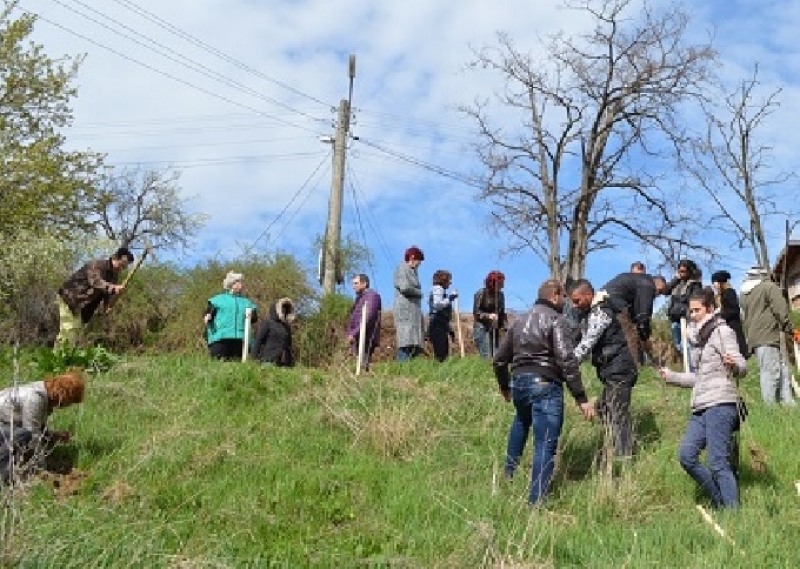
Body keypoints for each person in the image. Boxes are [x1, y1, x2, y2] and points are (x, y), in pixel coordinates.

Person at [494, 278, 595, 505]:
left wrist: (504, 385)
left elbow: (499, 359)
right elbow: (567, 360)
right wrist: (581, 397)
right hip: (545, 384)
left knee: (521, 422)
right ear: (554, 296)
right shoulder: (556, 320)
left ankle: (507, 476)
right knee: (545, 443)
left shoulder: (518, 321)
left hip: (519, 382)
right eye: (563, 298)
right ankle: (536, 502)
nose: (564, 303)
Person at [658, 288, 747, 509]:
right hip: (700, 406)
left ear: (709, 309)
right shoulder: (699, 341)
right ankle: (720, 502)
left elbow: (742, 366)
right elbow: (698, 378)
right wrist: (672, 376)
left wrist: (733, 364)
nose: (693, 315)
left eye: (697, 310)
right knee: (686, 456)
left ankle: (732, 513)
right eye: (691, 311)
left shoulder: (722, 332)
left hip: (721, 404)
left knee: (718, 464)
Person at [571, 279, 638, 458]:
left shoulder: (601, 312)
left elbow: (588, 343)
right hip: (612, 370)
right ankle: (614, 446)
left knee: (618, 413)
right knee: (603, 409)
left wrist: (567, 365)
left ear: (588, 295)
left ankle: (624, 457)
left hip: (619, 369)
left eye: (577, 301)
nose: (575, 305)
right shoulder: (592, 312)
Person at [0, 371, 86, 482]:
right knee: (24, 435)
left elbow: (39, 429)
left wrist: (53, 436)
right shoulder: (35, 398)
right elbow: (33, 434)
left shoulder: (43, 393)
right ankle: (4, 474)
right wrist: (42, 468)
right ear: (64, 395)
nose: (67, 406)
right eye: (70, 402)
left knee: (33, 437)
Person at [55, 247, 134, 348]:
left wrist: (107, 306)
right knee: (69, 328)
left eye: (124, 267)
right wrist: (114, 288)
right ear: (115, 258)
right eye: (121, 265)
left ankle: (66, 357)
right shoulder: (97, 265)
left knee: (76, 330)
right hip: (70, 297)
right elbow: (96, 282)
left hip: (82, 305)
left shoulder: (114, 276)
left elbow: (107, 294)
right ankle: (57, 358)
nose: (121, 269)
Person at [740, 267, 795, 405]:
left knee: (781, 369)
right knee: (770, 373)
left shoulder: (745, 294)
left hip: (755, 338)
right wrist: (791, 329)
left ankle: (788, 403)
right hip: (767, 335)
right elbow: (781, 311)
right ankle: (769, 408)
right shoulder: (769, 287)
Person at [599, 271, 668, 367]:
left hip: (603, 301)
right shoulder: (648, 285)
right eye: (660, 291)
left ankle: (614, 365)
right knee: (631, 336)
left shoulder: (638, 281)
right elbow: (643, 316)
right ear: (657, 283)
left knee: (616, 337)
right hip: (615, 303)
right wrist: (645, 338)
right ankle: (635, 368)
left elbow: (635, 314)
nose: (658, 295)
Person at [204, 271, 258, 361]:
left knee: (237, 368)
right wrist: (207, 317)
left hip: (241, 340)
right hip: (220, 339)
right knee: (219, 367)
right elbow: (208, 313)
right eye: (239, 282)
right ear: (232, 284)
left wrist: (251, 316)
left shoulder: (247, 302)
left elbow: (254, 319)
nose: (242, 284)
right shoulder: (218, 300)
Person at [393, 246, 425, 361]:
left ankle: (410, 370)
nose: (418, 265)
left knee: (414, 344)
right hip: (405, 312)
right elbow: (405, 287)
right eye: (418, 261)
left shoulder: (412, 271)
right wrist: (419, 293)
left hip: (413, 312)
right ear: (412, 258)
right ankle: (402, 371)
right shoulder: (402, 268)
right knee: (406, 343)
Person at [665, 260, 703, 355]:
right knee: (679, 346)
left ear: (690, 271)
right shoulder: (677, 283)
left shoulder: (695, 284)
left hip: (687, 319)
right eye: (679, 271)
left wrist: (684, 311)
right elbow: (666, 291)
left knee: (688, 346)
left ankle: (694, 367)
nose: (681, 274)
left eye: (684, 271)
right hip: (675, 319)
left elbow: (695, 302)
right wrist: (676, 279)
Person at [346, 274, 382, 371]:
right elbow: (353, 318)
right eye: (353, 283)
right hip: (358, 336)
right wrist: (350, 333)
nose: (353, 286)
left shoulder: (372, 296)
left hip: (367, 336)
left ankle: (363, 382)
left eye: (356, 283)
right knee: (359, 364)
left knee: (363, 365)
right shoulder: (359, 298)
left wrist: (354, 333)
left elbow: (368, 318)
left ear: (364, 284)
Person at [711, 270, 748, 358]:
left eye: (715, 282)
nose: (714, 285)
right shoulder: (720, 295)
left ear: (721, 282)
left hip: (733, 325)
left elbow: (734, 309)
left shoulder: (729, 292)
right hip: (726, 326)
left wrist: (721, 314)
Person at [251, 298, 295, 367]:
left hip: (284, 364)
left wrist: (291, 361)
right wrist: (253, 359)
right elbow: (258, 341)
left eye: (285, 308)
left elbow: (289, 346)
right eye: (282, 308)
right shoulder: (267, 323)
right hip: (268, 361)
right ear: (276, 309)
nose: (284, 310)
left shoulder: (287, 326)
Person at [473, 271, 507, 358]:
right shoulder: (481, 293)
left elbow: (502, 313)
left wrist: (506, 328)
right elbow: (476, 313)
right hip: (481, 328)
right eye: (500, 284)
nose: (503, 286)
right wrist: (488, 316)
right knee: (486, 355)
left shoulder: (501, 295)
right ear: (493, 283)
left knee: (497, 355)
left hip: (494, 328)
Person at [428, 270, 458, 362]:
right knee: (441, 355)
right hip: (437, 326)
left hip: (440, 325)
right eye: (449, 280)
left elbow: (443, 316)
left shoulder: (441, 290)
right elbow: (437, 305)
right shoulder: (438, 288)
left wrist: (450, 330)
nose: (450, 282)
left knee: (443, 354)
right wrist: (450, 298)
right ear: (443, 280)